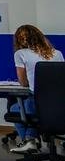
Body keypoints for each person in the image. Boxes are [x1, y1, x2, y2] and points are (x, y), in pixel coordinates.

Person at [9, 24, 64, 153]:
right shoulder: (57, 53)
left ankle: (30, 141)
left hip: (37, 102)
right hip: (59, 104)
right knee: (31, 107)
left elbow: (23, 82)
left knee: (15, 109)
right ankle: (33, 139)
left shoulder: (21, 53)